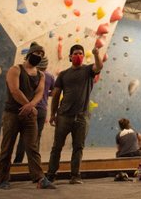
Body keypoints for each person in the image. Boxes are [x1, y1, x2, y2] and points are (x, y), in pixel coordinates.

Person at [0, 42, 56, 189]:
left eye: (41, 55)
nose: (39, 57)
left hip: (29, 114)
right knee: (7, 147)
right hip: (12, 113)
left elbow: (40, 93)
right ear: (29, 54)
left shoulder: (41, 75)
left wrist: (30, 105)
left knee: (32, 146)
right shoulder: (15, 69)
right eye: (37, 54)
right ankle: (3, 179)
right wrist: (29, 105)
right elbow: (14, 90)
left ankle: (39, 178)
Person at [46, 44, 103, 184]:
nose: (79, 56)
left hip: (82, 117)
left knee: (78, 147)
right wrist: (53, 114)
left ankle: (75, 175)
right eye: (76, 53)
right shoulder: (63, 74)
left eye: (81, 53)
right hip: (64, 116)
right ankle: (51, 174)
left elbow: (99, 66)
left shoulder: (88, 70)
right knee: (56, 147)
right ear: (70, 56)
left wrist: (96, 54)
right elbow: (56, 94)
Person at [13, 56, 55, 166]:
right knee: (37, 137)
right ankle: (35, 163)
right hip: (42, 109)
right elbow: (54, 92)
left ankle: (18, 161)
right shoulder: (49, 76)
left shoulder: (33, 74)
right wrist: (46, 94)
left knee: (24, 136)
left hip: (29, 108)